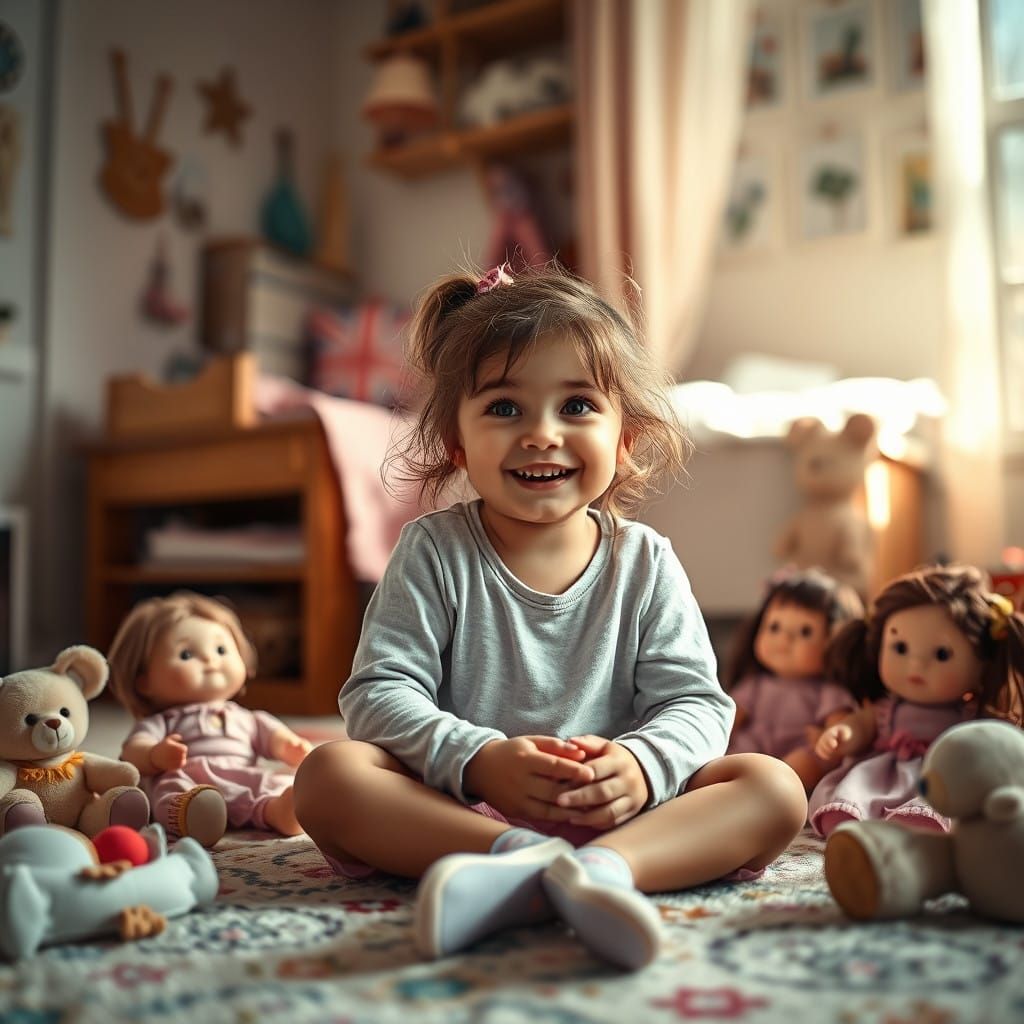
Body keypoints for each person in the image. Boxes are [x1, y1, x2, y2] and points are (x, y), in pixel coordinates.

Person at [294, 263, 807, 971]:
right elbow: (379, 695)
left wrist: (640, 763)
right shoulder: (433, 551)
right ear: (456, 443)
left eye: (576, 407)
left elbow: (693, 702)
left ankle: (602, 874)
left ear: (625, 437)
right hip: (460, 812)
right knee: (327, 775)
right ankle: (518, 860)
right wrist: (478, 760)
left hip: (625, 816)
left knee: (774, 788)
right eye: (504, 408)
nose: (541, 434)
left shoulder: (646, 560)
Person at [808, 564, 1024, 837]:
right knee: (853, 792)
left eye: (942, 654)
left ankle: (918, 831)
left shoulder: (970, 715)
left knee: (941, 806)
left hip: (943, 776)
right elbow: (862, 725)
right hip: (883, 772)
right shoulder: (886, 709)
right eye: (899, 648)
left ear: (982, 662)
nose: (916, 665)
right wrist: (844, 734)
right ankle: (852, 825)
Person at [108, 592, 312, 847]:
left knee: (276, 782)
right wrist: (155, 755)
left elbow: (276, 738)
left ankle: (278, 811)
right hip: (190, 781)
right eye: (186, 654)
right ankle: (193, 817)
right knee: (169, 792)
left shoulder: (248, 719)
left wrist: (290, 747)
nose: (210, 659)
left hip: (242, 776)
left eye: (221, 649)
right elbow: (131, 754)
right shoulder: (163, 722)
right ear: (144, 682)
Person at [725, 568, 863, 792]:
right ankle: (737, 790)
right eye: (774, 627)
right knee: (733, 757)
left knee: (808, 761)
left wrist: (831, 738)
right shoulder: (754, 684)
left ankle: (774, 791)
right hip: (753, 748)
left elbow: (840, 723)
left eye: (806, 632)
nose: (785, 638)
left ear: (836, 640)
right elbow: (730, 718)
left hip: (799, 750)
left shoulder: (828, 690)